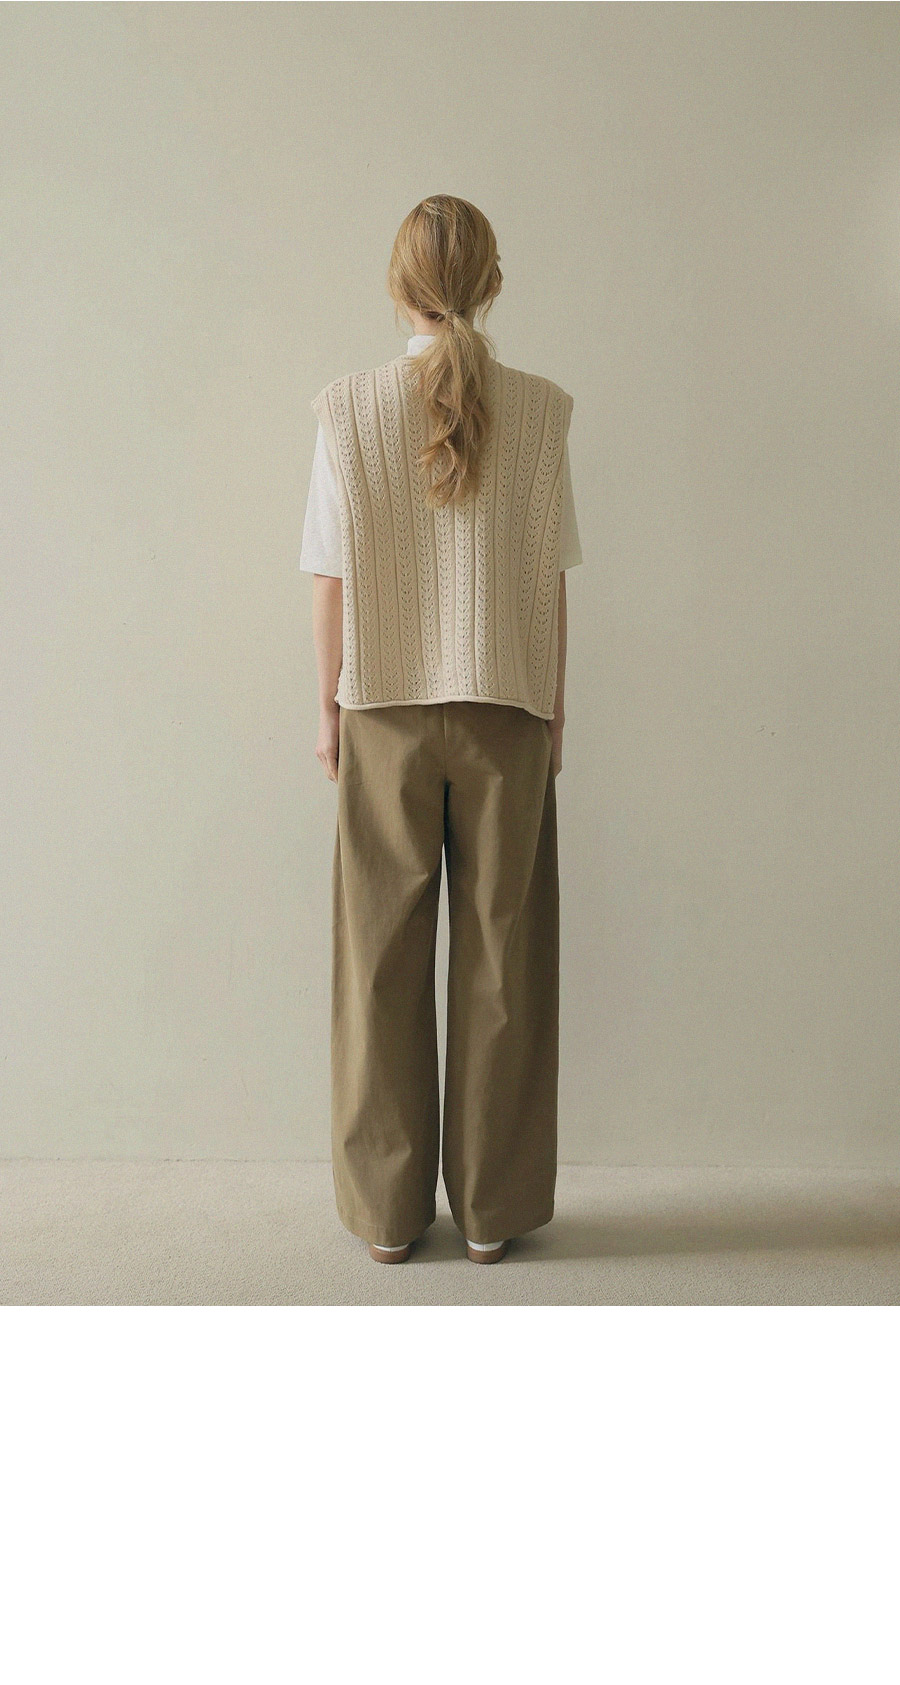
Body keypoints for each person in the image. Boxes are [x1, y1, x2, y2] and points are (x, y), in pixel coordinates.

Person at [299, 195, 582, 1265]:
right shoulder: (541, 411)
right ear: (492, 282)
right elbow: (550, 578)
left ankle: (386, 1215)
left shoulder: (348, 409)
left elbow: (329, 577)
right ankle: (493, 1214)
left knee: (377, 959)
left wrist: (325, 707)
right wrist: (556, 708)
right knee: (506, 960)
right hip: (508, 708)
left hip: (381, 707)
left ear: (397, 285)